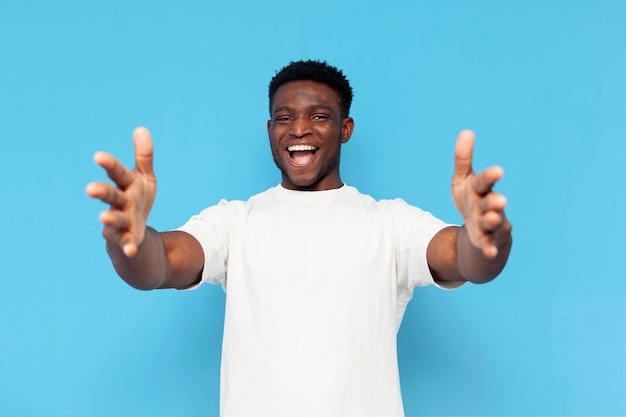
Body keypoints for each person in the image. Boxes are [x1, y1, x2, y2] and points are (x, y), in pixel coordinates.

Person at [86, 60, 512, 417]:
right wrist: (132, 241)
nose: (299, 130)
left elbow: (464, 258)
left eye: (319, 117)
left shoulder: (390, 222)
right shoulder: (235, 221)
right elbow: (159, 264)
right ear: (271, 128)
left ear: (345, 128)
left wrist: (484, 236)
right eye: (285, 118)